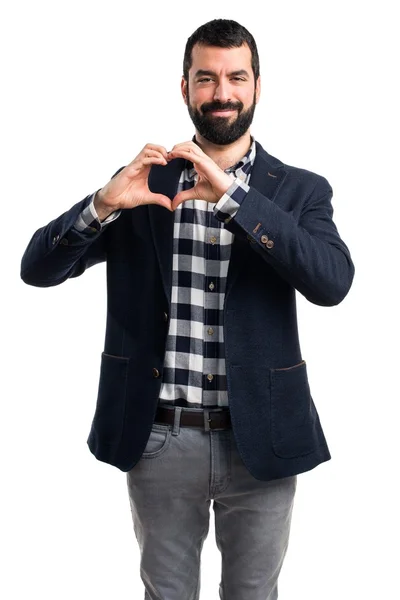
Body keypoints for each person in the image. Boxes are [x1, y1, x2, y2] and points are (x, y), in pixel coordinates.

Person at [20, 18, 355, 600]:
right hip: (159, 438)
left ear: (256, 86)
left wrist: (233, 196)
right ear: (185, 89)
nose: (221, 92)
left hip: (262, 443)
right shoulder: (143, 185)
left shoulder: (300, 190)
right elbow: (38, 269)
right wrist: (102, 203)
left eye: (235, 77)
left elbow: (331, 282)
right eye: (206, 78)